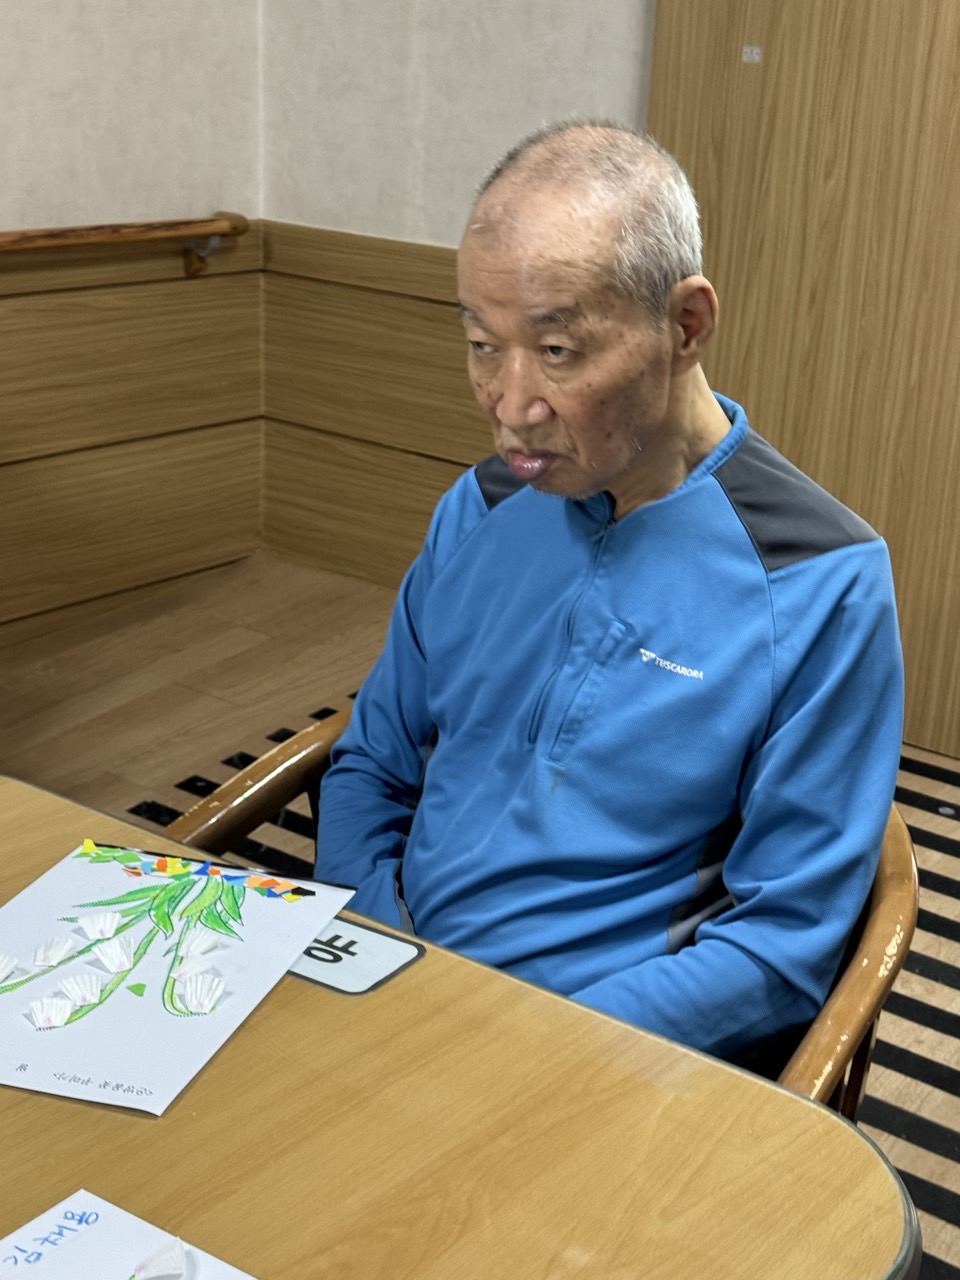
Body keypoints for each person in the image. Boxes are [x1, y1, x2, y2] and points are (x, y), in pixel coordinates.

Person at [316, 120, 904, 1065]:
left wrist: (519, 1047)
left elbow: (780, 949)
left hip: (594, 1054)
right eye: (481, 344)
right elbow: (371, 766)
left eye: (557, 351)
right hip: (390, 983)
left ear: (686, 326)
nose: (511, 406)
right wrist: (379, 955)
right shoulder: (481, 506)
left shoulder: (820, 579)